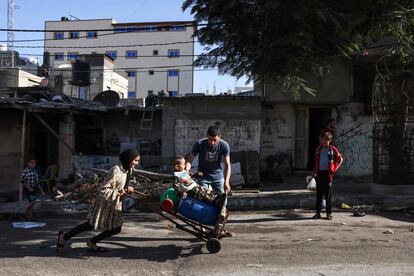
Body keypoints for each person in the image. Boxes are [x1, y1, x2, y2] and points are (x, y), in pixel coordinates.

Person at [56, 149, 140, 253]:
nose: (137, 163)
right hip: (104, 204)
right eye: (135, 160)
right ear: (128, 159)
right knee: (90, 225)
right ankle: (64, 237)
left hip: (115, 204)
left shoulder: (128, 170)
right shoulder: (116, 170)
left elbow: (121, 187)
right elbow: (103, 189)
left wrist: (127, 190)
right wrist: (120, 192)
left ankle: (92, 241)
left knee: (116, 228)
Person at [185, 126, 231, 197]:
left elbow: (227, 165)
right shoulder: (199, 144)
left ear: (220, 137)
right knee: (203, 198)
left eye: (215, 140)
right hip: (203, 177)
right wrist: (186, 171)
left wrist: (227, 182)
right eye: (210, 139)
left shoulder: (224, 145)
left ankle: (222, 208)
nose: (212, 142)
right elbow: (189, 161)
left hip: (218, 177)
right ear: (207, 136)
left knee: (222, 199)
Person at [313, 132, 343, 220]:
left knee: (328, 195)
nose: (323, 141)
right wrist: (314, 172)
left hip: (328, 175)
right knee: (319, 195)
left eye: (325, 140)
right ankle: (317, 213)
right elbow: (316, 162)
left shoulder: (333, 149)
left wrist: (335, 169)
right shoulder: (318, 149)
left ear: (329, 140)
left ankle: (329, 214)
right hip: (319, 174)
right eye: (321, 139)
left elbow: (340, 158)